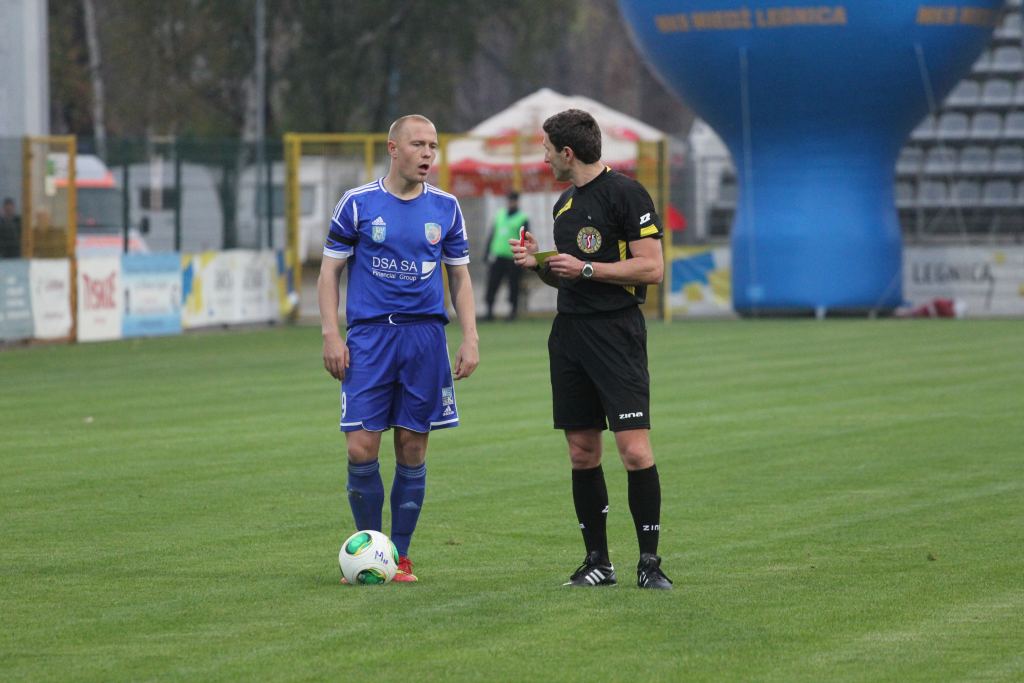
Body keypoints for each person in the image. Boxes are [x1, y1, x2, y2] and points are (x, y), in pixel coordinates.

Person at [511, 109, 672, 590]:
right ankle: (598, 562)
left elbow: (652, 269)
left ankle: (649, 563)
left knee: (634, 451)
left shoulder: (627, 193)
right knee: (582, 452)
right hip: (570, 335)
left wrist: (584, 268)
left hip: (616, 333)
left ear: (568, 152)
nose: (543, 158)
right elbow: (568, 274)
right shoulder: (563, 204)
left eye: (546, 149)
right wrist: (539, 263)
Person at [318, 114, 480, 583]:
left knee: (412, 446)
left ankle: (400, 557)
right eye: (418, 144)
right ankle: (371, 549)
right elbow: (329, 272)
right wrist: (331, 333)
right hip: (369, 338)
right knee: (360, 447)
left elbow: (460, 276)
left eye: (433, 145)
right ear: (393, 148)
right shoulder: (357, 204)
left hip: (424, 338)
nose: (427, 153)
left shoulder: (447, 208)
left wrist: (470, 336)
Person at [483, 191, 529, 321]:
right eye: (509, 200)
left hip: (513, 257)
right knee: (492, 284)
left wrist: (524, 256)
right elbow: (492, 234)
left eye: (513, 200)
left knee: (513, 285)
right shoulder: (500, 215)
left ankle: (513, 312)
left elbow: (526, 239)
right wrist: (486, 252)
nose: (510, 203)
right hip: (498, 256)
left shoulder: (522, 218)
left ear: (517, 201)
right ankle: (489, 312)